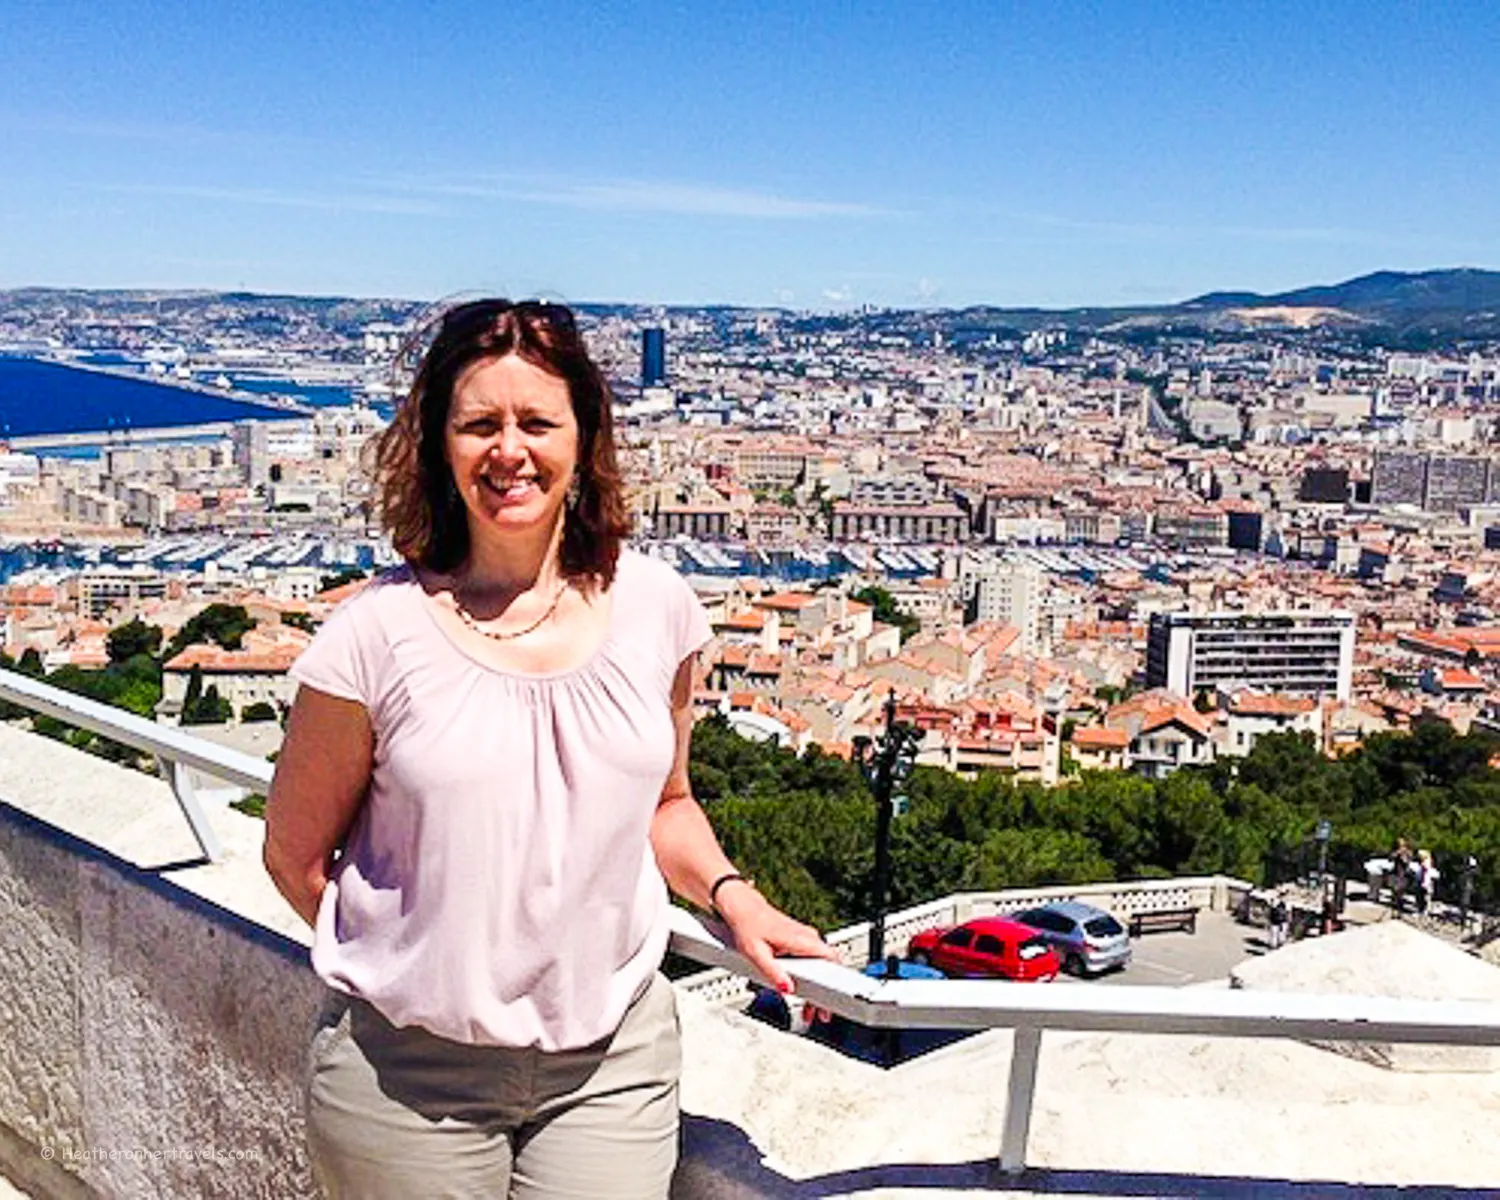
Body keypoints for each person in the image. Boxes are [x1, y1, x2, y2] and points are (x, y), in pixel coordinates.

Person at [263, 298, 838, 1199]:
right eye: (479, 423)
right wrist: (422, 967)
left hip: (613, 1066)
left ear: (583, 438)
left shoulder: (660, 610)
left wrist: (735, 898)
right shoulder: (371, 638)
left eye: (537, 421)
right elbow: (294, 857)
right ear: (438, 444)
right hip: (409, 1080)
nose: (509, 450)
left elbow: (668, 802)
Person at [1416, 849, 1439, 915]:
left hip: (1426, 883)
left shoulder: (1427, 862)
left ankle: (1425, 910)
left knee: (1426, 897)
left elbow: (1427, 870)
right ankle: (1422, 910)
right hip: (1422, 882)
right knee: (1422, 897)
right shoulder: (1422, 863)